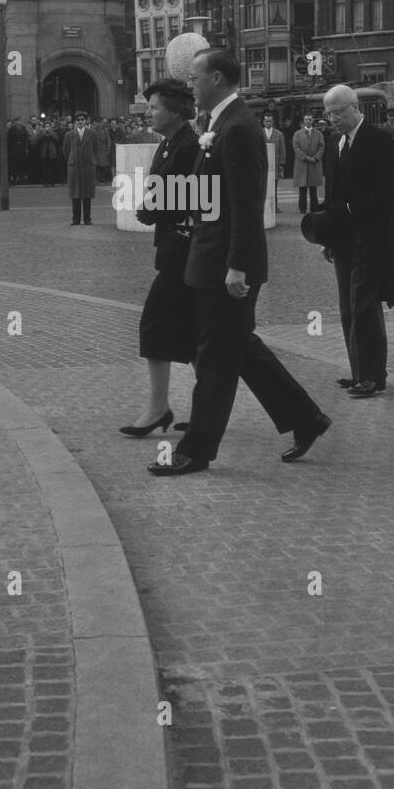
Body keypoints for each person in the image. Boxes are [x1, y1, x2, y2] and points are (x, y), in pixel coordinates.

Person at [150, 48, 331, 476]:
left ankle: (196, 450)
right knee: (240, 349)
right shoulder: (219, 124)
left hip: (224, 265)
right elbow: (212, 194)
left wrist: (237, 266)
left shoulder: (238, 128)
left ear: (215, 78)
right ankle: (306, 418)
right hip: (209, 256)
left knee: (215, 358)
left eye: (195, 78)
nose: (190, 85)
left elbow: (247, 205)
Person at [120, 79, 201, 438]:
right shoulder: (169, 144)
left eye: (154, 107)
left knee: (155, 325)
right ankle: (199, 409)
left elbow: (195, 198)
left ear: (174, 110)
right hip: (174, 251)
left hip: (185, 254)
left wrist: (154, 211)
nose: (149, 112)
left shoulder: (190, 146)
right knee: (199, 334)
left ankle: (159, 407)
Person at [319, 85, 394, 398]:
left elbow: (388, 192)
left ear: (355, 107)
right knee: (347, 307)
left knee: (363, 306)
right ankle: (360, 371)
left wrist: (347, 210)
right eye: (328, 113)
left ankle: (372, 376)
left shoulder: (379, 139)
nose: (333, 119)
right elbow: (331, 193)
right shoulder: (333, 142)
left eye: (338, 112)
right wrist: (327, 235)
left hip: (371, 236)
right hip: (343, 238)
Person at [64, 110, 97, 224]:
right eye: (78, 120)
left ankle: (87, 219)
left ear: (86, 121)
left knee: (87, 194)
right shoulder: (69, 135)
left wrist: (91, 159)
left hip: (88, 166)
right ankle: (76, 219)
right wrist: (72, 160)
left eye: (82, 120)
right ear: (75, 122)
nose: (80, 122)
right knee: (75, 194)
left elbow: (96, 149)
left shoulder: (92, 134)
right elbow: (66, 150)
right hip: (75, 167)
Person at [291, 112, 324, 214]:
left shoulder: (318, 134)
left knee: (313, 190)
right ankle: (302, 209)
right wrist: (305, 157)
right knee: (302, 189)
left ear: (312, 120)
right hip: (302, 164)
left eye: (310, 119)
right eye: (306, 119)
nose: (308, 121)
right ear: (303, 121)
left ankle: (314, 208)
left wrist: (315, 157)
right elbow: (296, 147)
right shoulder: (297, 134)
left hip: (314, 164)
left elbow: (322, 147)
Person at [262, 112, 287, 207]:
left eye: (270, 121)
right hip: (263, 164)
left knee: (274, 187)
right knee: (264, 186)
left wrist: (281, 164)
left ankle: (274, 206)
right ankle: (264, 206)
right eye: (267, 121)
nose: (268, 123)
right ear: (263, 122)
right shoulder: (260, 133)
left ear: (273, 122)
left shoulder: (279, 134)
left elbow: (283, 150)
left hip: (275, 164)